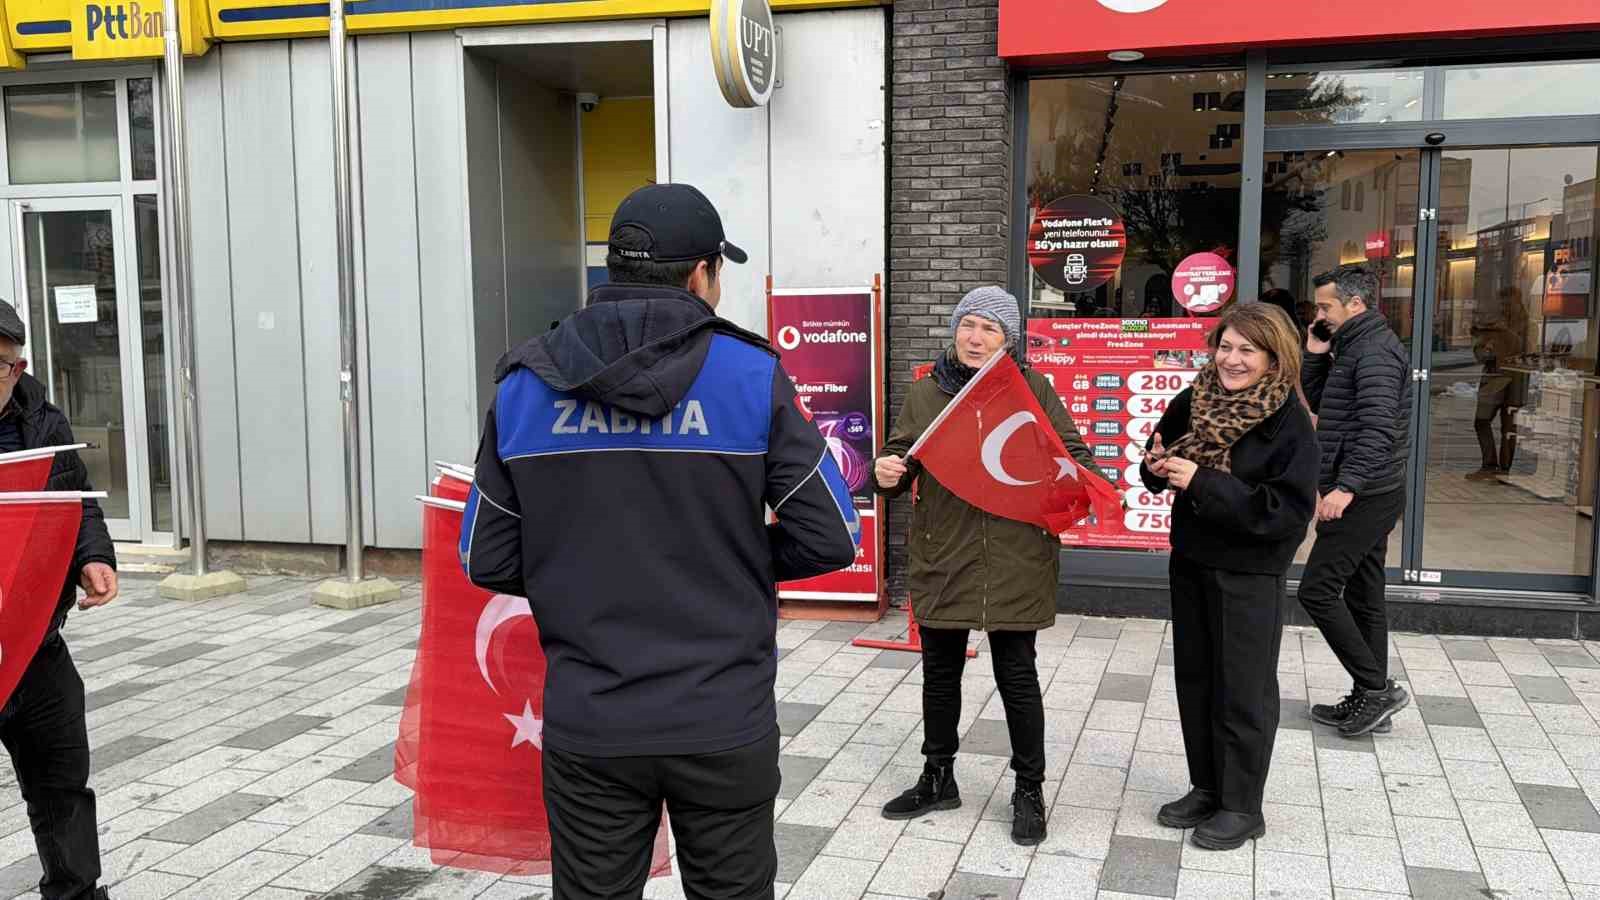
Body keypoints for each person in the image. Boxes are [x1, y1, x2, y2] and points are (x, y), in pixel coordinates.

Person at [459, 183, 858, 899]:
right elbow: (829, 537)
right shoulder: (751, 374)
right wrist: (733, 560)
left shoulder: (524, 386)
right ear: (703, 273)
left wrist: (576, 570)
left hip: (592, 719)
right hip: (721, 717)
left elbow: (484, 555)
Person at [872, 287, 1104, 847]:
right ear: (955, 330)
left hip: (1015, 555)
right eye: (968, 325)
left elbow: (1076, 457)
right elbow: (903, 455)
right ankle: (938, 777)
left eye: (990, 329)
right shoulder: (928, 393)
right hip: (944, 552)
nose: (976, 338)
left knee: (1017, 676)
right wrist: (888, 470)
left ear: (1009, 340)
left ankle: (1029, 788)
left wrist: (1070, 475)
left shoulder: (1033, 392)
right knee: (939, 674)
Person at [1140, 302, 1318, 851]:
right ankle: (1207, 786)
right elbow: (1158, 457)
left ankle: (1242, 805)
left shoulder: (1288, 420)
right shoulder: (1193, 398)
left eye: (1247, 350)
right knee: (1196, 679)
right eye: (1226, 346)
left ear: (1273, 358)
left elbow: (1284, 512)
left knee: (1243, 688)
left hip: (1249, 572)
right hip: (1192, 560)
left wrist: (1199, 483)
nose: (1231, 359)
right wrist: (1152, 469)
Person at [0, 300, 119, 900]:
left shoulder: (44, 422)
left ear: (16, 368)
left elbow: (78, 503)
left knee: (63, 783)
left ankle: (76, 893)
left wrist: (93, 556)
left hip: (33, 644)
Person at [1297, 265, 1413, 737]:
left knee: (1317, 590)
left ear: (1355, 305)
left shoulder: (1377, 353)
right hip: (1370, 488)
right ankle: (1370, 698)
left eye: (1325, 307)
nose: (1318, 314)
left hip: (1366, 492)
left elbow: (1377, 429)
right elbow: (1323, 402)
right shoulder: (1351, 347)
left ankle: (1376, 689)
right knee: (1365, 595)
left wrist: (1346, 488)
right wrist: (1315, 354)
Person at [1468, 286, 1529, 480]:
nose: (1505, 305)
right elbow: (1479, 351)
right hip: (1495, 377)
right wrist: (1486, 351)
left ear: (1517, 300)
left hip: (1514, 379)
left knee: (1508, 426)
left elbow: (1524, 348)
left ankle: (1502, 469)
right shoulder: (1496, 322)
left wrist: (1504, 332)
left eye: (1508, 301)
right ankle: (1491, 465)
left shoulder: (1525, 323)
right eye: (1502, 302)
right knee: (1482, 420)